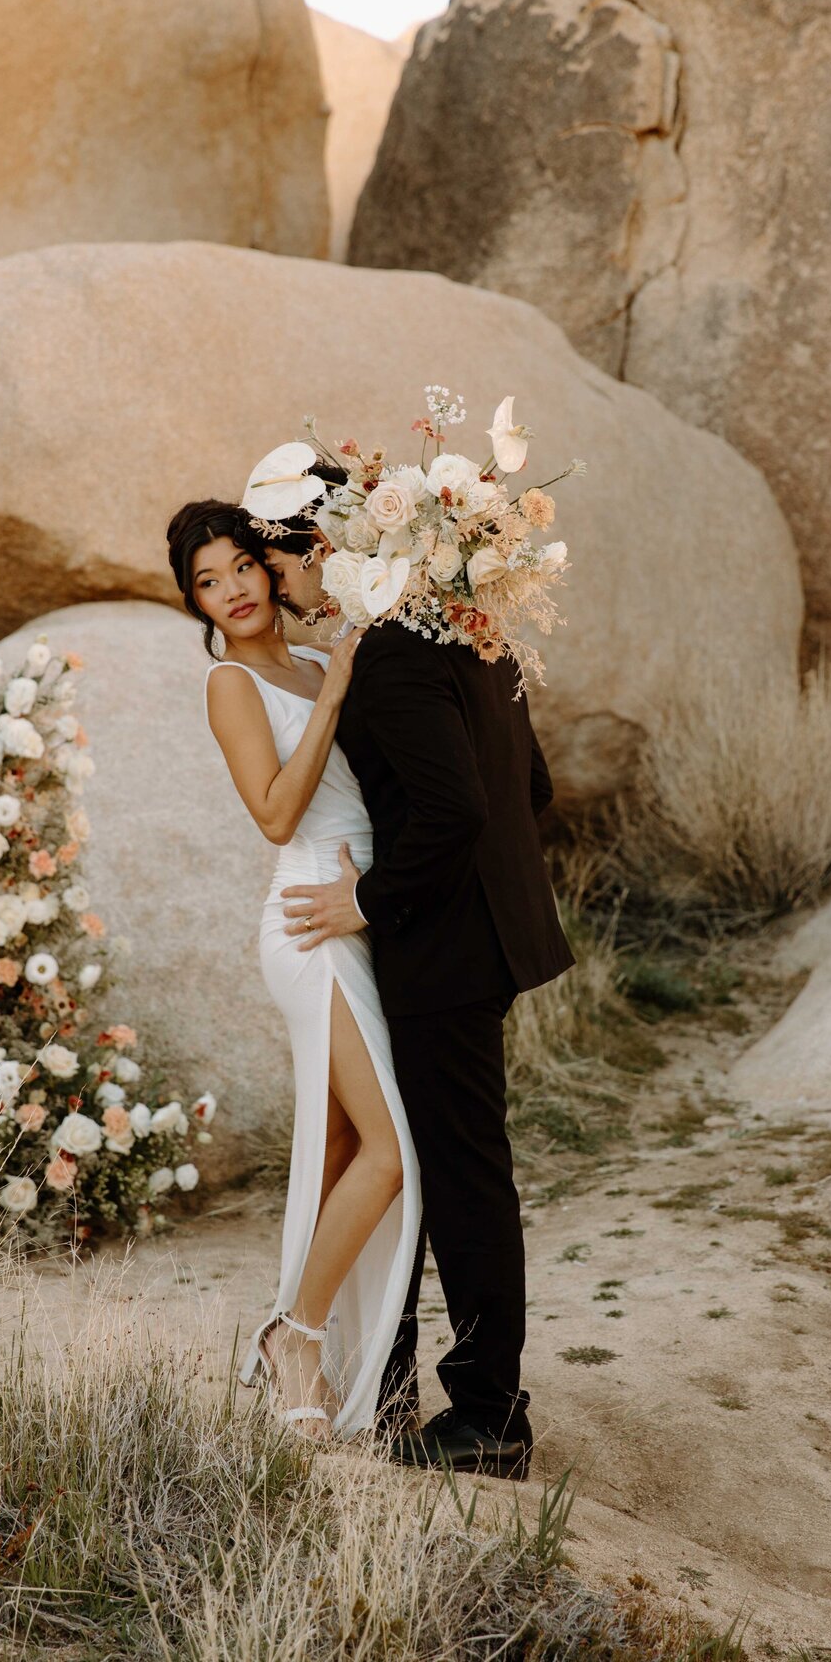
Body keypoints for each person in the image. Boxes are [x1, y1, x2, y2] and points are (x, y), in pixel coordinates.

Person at [254, 465, 574, 1482]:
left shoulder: (391, 654)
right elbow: (534, 784)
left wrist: (369, 903)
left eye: (278, 561)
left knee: (464, 1179)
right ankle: (389, 1386)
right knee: (442, 1167)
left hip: (440, 946)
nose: (279, 587)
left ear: (320, 549)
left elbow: (460, 812)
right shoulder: (458, 620)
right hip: (484, 937)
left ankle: (488, 1417)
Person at [166, 498, 422, 1444]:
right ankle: (296, 1337)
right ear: (194, 600)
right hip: (309, 922)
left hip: (360, 912)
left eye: (240, 567)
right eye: (207, 581)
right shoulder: (232, 683)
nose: (230, 591)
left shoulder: (315, 660)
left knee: (347, 1154)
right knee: (392, 1155)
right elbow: (276, 814)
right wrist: (340, 690)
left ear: (271, 568)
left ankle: (323, 1347)